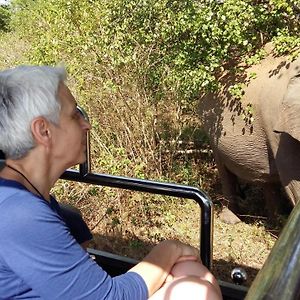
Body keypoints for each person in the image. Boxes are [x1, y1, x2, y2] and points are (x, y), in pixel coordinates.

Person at [0, 65, 222, 299]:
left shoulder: (26, 197)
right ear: (44, 131)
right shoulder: (21, 214)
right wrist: (169, 249)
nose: (87, 125)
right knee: (195, 291)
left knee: (190, 274)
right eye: (75, 115)